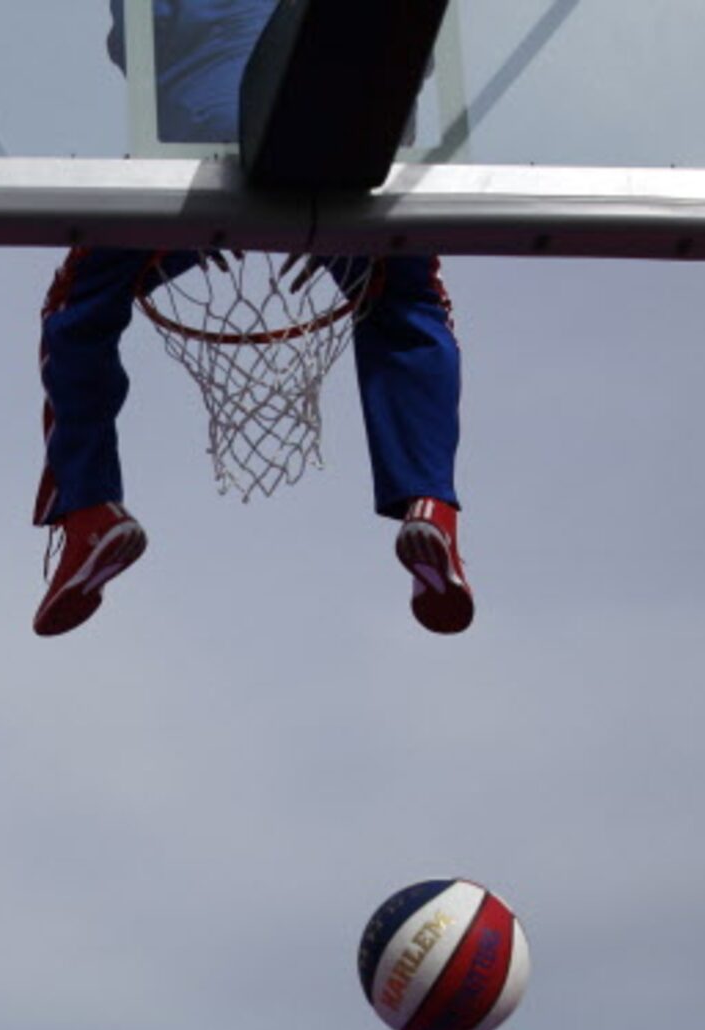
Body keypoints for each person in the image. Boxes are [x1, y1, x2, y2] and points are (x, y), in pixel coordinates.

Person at [31, 1, 465, 641]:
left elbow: (136, 47)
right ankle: (433, 507)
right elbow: (413, 49)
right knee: (409, 300)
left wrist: (213, 190)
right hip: (354, 146)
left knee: (77, 306)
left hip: (205, 143)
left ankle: (89, 510)